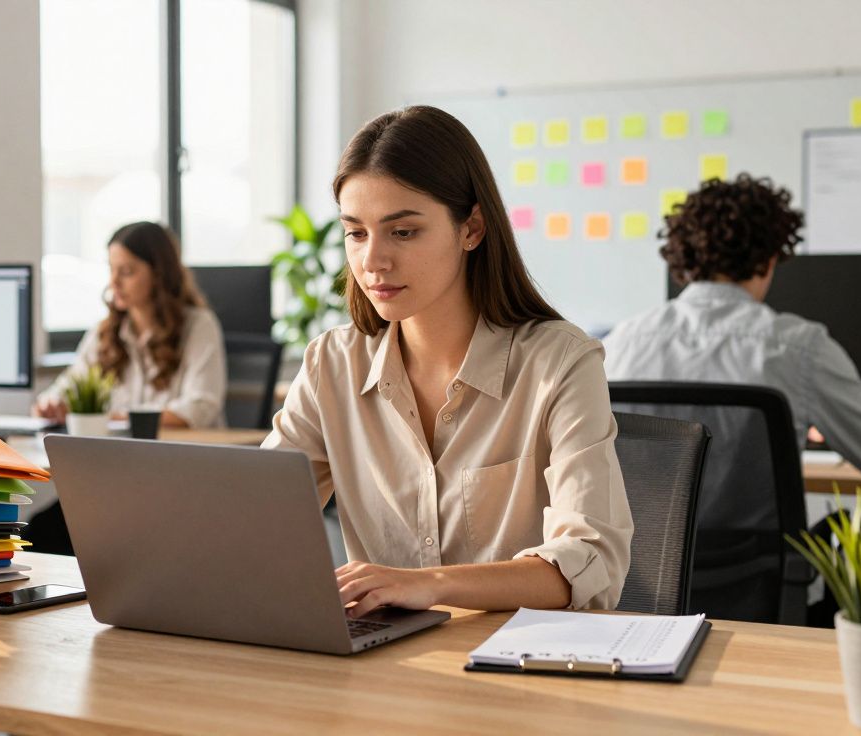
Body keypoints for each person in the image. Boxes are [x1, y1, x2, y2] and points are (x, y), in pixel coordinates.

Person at [262, 105, 633, 616]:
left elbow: (592, 560)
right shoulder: (332, 364)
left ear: (472, 229)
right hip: (386, 670)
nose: (373, 261)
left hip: (520, 668)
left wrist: (430, 584)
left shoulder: (561, 362)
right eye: (356, 232)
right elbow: (254, 517)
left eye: (403, 231)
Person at [602, 174, 861, 519]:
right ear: (768, 259)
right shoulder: (800, 350)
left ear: (684, 258)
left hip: (646, 568)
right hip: (755, 568)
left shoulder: (618, 347)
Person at [34, 221, 226, 429]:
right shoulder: (104, 333)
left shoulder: (199, 326)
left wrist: (114, 419)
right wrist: (50, 405)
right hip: (121, 456)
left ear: (158, 274)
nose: (113, 282)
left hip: (184, 455)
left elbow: (199, 408)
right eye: (111, 269)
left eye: (126, 271)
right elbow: (67, 388)